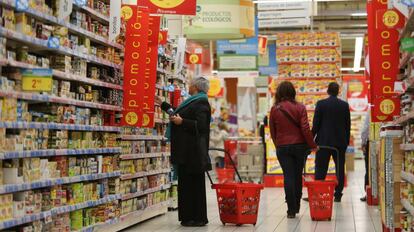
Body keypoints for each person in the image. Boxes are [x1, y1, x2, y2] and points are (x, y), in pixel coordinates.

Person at [155, 77, 212, 227]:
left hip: (193, 152)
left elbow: (202, 126)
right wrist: (163, 105)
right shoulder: (193, 101)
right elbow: (178, 114)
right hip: (187, 151)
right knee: (186, 185)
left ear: (196, 87)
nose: (188, 86)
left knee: (194, 185)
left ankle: (198, 218)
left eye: (190, 84)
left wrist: (183, 122)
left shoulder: (201, 102)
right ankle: (188, 217)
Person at [269, 81, 318, 219]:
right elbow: (305, 128)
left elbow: (273, 131)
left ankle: (290, 209)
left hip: (282, 147)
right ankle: (296, 205)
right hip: (299, 147)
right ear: (293, 92)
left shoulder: (275, 109)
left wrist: (278, 144)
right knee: (297, 176)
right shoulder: (300, 107)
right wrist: (312, 145)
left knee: (288, 176)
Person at [312, 82, 351, 202]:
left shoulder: (321, 104)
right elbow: (347, 125)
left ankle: (319, 192)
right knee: (339, 168)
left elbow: (316, 124)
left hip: (323, 142)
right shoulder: (344, 105)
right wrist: (346, 141)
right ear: (338, 91)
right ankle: (338, 194)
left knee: (321, 167)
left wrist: (311, 140)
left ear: (328, 91)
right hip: (340, 143)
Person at [360, 110, 370, 202]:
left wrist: (363, 143)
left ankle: (368, 194)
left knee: (369, 169)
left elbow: (365, 128)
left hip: (371, 142)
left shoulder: (371, 109)